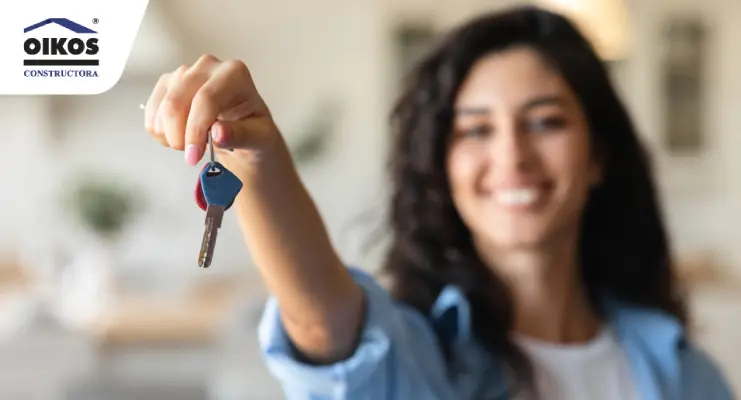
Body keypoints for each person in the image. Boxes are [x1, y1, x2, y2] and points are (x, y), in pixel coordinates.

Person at [143, 5, 734, 400]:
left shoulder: (688, 374)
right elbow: (322, 319)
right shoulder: (421, 360)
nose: (513, 157)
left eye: (546, 122)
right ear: (443, 168)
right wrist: (257, 154)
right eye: (475, 130)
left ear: (598, 156)